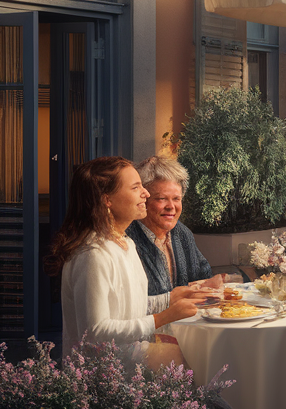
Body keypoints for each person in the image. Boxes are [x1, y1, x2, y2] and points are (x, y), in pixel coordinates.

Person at [47, 157, 205, 369]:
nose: (146, 194)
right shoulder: (92, 254)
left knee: (196, 350)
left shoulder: (126, 244)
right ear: (107, 200)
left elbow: (128, 308)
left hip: (125, 355)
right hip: (103, 371)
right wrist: (163, 317)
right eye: (135, 187)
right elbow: (95, 332)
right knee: (193, 356)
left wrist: (170, 298)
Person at [126, 155, 214, 296]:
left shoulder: (182, 233)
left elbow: (204, 276)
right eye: (162, 199)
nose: (171, 207)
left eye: (176, 199)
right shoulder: (127, 239)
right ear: (143, 199)